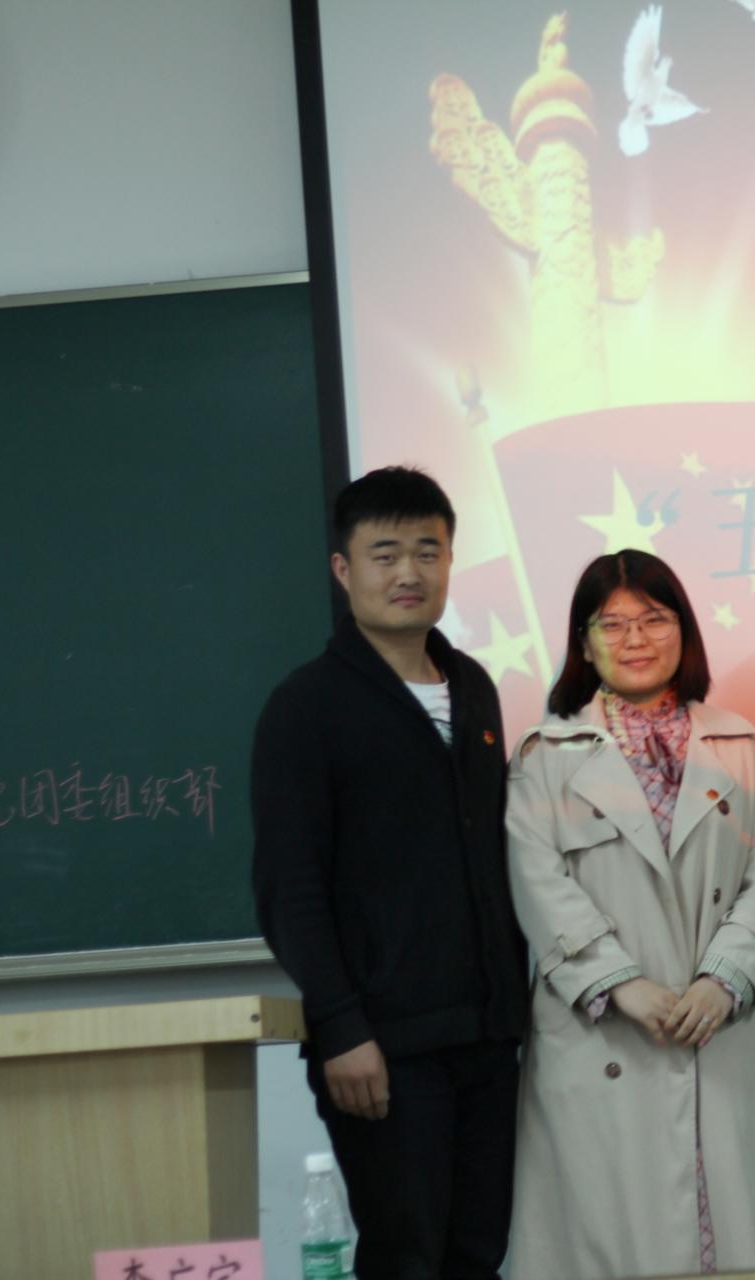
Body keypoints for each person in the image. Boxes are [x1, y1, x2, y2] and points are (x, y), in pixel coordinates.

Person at [251, 466, 528, 1280]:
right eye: (385, 554)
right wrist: (341, 1026)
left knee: (478, 1253)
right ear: (344, 570)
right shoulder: (306, 705)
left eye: (427, 551)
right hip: (382, 1045)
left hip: (487, 1035)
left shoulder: (473, 687)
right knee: (406, 1256)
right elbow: (289, 887)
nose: (409, 572)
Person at [501, 550, 755, 1279]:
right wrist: (621, 984)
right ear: (583, 641)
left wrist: (723, 979)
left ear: (684, 631)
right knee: (608, 1241)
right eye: (612, 624)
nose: (635, 639)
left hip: (716, 1026)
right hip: (603, 1034)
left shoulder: (739, 744)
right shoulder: (544, 755)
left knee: (738, 1244)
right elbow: (538, 883)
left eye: (654, 619)